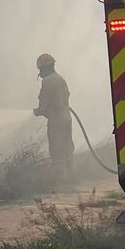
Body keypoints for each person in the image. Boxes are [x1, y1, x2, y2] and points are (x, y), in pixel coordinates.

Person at [33, 53, 74, 183]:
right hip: (66, 118)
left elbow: (44, 105)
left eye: (41, 69)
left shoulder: (48, 81)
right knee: (67, 148)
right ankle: (71, 178)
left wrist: (37, 111)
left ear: (45, 68)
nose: (40, 72)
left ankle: (61, 181)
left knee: (57, 150)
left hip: (56, 120)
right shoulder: (60, 78)